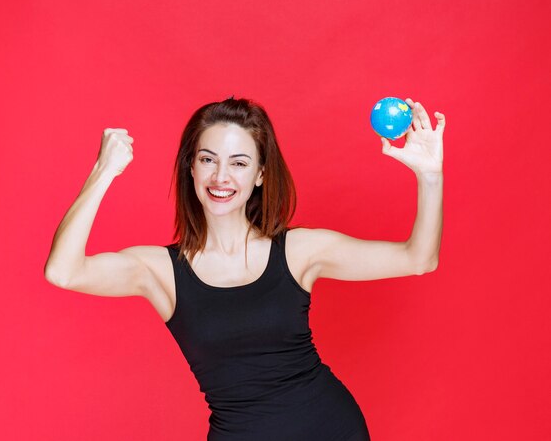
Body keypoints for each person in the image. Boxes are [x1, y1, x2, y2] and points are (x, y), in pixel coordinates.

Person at [45, 97, 445, 440]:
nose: (221, 177)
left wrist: (429, 176)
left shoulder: (299, 250)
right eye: (208, 159)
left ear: (259, 175)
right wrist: (103, 172)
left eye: (238, 163)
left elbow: (418, 258)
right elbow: (63, 272)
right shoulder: (159, 270)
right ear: (192, 167)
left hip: (330, 427)